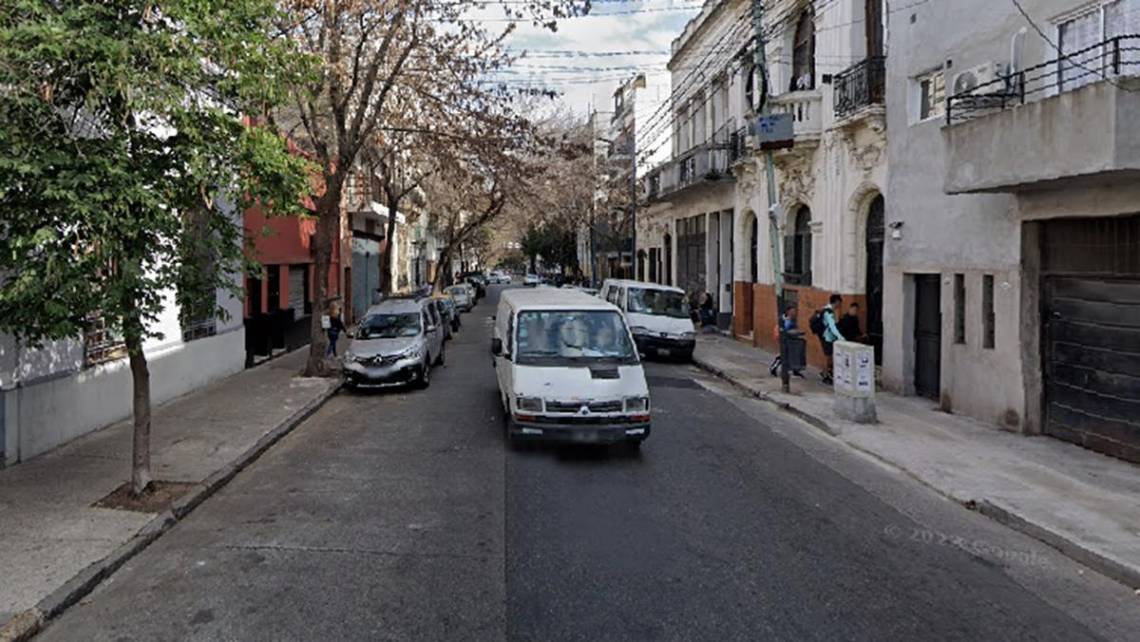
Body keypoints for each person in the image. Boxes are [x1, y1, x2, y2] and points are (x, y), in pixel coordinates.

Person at [768, 305, 804, 378]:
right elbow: (784, 329)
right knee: (784, 354)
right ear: (788, 311)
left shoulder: (791, 319)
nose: (794, 312)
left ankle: (794, 370)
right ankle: (774, 367)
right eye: (792, 311)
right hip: (784, 339)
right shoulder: (785, 319)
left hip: (789, 339)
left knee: (790, 354)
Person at [819, 294, 845, 384]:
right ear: (837, 302)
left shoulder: (826, 309)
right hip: (827, 337)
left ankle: (825, 372)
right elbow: (832, 326)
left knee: (828, 356)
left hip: (826, 336)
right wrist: (840, 337)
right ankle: (826, 375)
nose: (840, 305)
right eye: (840, 303)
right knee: (828, 357)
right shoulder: (828, 312)